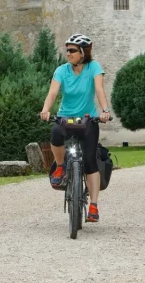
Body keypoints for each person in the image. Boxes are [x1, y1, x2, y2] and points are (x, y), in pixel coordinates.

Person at [39, 33, 112, 223]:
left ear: (83, 52)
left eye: (72, 50)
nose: (68, 53)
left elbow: (99, 90)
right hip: (65, 118)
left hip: (88, 120)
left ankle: (94, 206)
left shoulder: (94, 67)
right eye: (67, 50)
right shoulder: (61, 70)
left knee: (89, 160)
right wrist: (46, 110)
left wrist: (104, 110)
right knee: (55, 133)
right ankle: (61, 167)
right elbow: (53, 92)